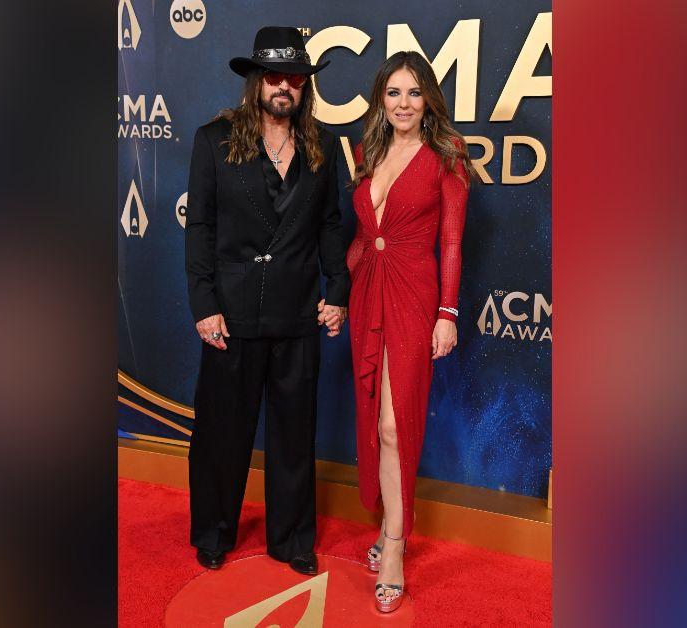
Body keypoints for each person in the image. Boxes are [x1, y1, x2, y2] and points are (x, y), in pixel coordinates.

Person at [183, 26, 349, 576]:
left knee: (294, 435)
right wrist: (204, 304)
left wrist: (338, 292)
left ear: (305, 86)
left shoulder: (325, 146)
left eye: (295, 79)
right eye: (274, 76)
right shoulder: (213, 140)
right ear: (256, 81)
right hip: (229, 313)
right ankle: (213, 531)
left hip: (298, 310)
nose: (284, 87)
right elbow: (200, 228)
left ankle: (292, 539)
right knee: (221, 434)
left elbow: (330, 227)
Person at [346, 51, 473, 613]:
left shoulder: (447, 156)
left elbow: (451, 240)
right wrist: (341, 285)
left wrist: (447, 312)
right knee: (373, 415)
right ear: (381, 99)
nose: (403, 104)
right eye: (394, 92)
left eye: (414, 93)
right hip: (366, 292)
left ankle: (395, 544)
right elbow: (364, 235)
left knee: (397, 423)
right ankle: (385, 526)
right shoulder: (367, 152)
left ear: (429, 102)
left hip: (415, 296)